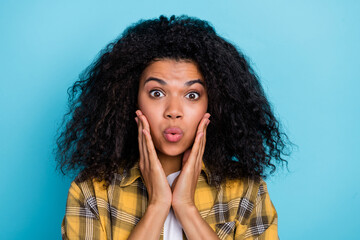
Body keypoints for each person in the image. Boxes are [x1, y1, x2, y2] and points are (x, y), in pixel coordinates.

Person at [57, 15, 290, 240]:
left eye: (192, 95)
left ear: (213, 103)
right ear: (131, 99)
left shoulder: (246, 191)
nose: (174, 111)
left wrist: (186, 208)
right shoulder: (93, 191)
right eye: (156, 93)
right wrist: (157, 205)